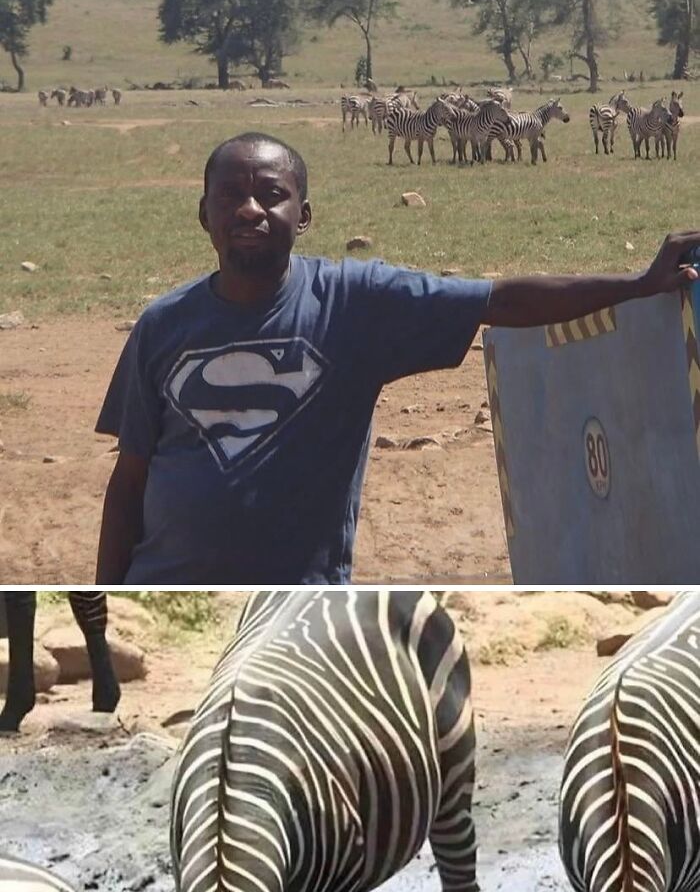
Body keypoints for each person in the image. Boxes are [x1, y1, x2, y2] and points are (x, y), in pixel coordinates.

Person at [95, 130, 700, 588]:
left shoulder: (358, 302)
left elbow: (500, 299)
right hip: (160, 576)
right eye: (230, 196)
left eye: (271, 195)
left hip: (302, 599)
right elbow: (128, 485)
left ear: (302, 217)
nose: (250, 209)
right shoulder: (161, 325)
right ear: (205, 215)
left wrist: (637, 285)